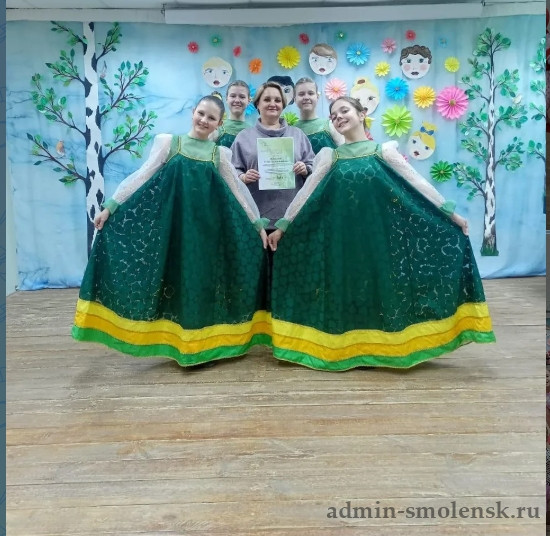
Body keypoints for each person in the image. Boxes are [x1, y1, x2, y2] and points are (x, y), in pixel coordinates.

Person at [267, 96, 495, 371]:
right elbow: (307, 192)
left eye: (344, 110)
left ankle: (382, 347)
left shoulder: (383, 151)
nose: (339, 117)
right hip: (342, 240)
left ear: (361, 114)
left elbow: (416, 182)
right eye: (334, 115)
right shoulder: (330, 156)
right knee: (346, 288)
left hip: (378, 238)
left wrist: (450, 213)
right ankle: (346, 347)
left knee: (378, 289)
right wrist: (284, 225)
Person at [72, 96, 270, 367]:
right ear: (193, 112)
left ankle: (202, 345)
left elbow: (238, 191)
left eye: (212, 118)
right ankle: (175, 342)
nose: (204, 120)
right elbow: (143, 175)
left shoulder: (219, 155)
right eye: (201, 113)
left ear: (219, 123)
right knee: (174, 281)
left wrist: (257, 224)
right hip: (174, 230)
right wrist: (111, 206)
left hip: (206, 235)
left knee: (200, 284)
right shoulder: (169, 143)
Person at [231, 81, 315, 230]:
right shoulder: (243, 137)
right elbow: (231, 171)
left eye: (277, 100)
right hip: (255, 219)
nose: (272, 104)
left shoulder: (298, 135)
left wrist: (305, 169)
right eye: (267, 99)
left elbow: (314, 167)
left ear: (283, 105)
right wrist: (242, 177)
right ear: (257, 104)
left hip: (292, 219)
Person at [294, 77, 344, 154]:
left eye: (310, 93)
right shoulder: (292, 130)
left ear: (317, 96)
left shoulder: (330, 125)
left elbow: (345, 153)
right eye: (301, 94)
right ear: (295, 99)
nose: (306, 97)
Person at [210, 80, 250, 148]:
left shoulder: (253, 132)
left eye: (242, 97)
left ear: (249, 100)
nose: (237, 100)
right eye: (233, 96)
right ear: (226, 99)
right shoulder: (216, 128)